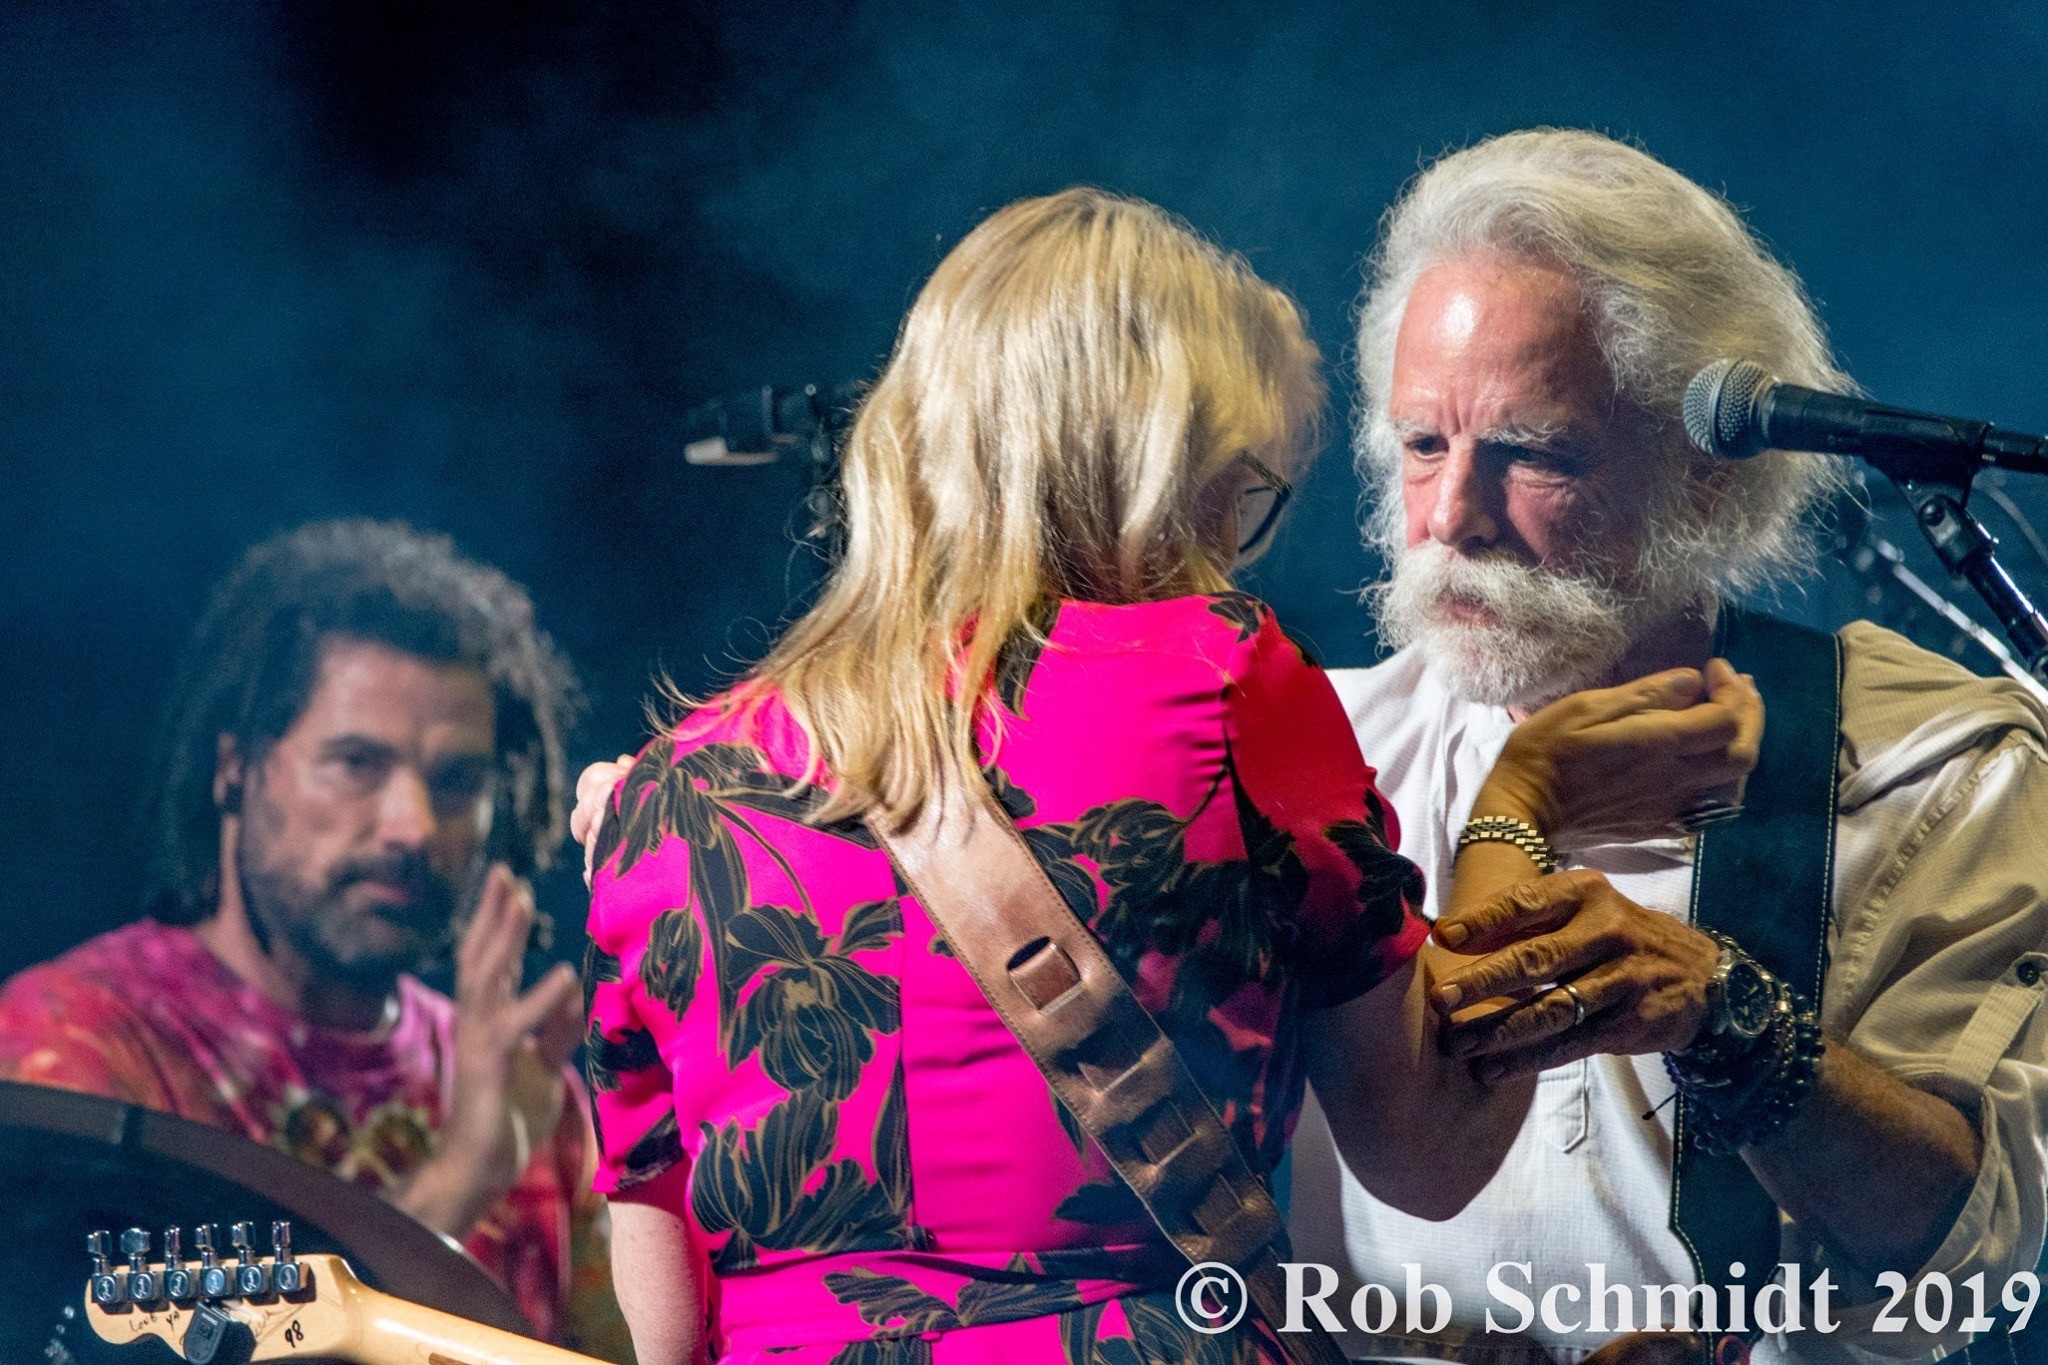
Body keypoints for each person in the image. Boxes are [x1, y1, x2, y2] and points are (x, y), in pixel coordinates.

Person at [573, 187, 1760, 1365]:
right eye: (1241, 485)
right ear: (1166, 462)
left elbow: (670, 1328)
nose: (1232, 532)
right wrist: (1522, 804)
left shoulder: (658, 800)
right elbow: (1428, 1154)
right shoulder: (1218, 676)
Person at [1287, 129, 2048, 1365]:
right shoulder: (1321, 747)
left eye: (1531, 452)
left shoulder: (1936, 767)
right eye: (1422, 445)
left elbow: (1963, 1260)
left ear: (1705, 479)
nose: (1448, 518)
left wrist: (1725, 1013)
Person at [0, 519, 620, 1351]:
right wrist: (460, 1177)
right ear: (235, 767)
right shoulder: (69, 1041)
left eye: (457, 780)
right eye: (358, 762)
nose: (412, 824)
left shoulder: (532, 1097)